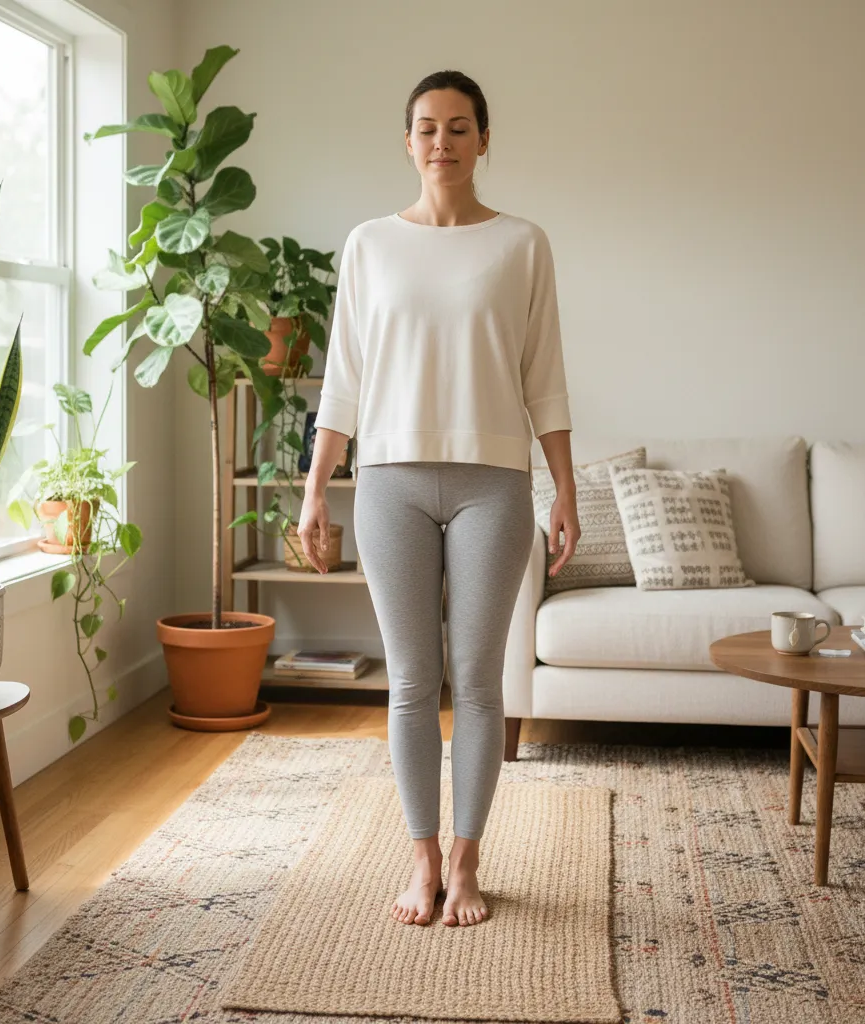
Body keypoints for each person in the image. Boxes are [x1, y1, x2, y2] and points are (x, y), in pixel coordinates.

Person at [297, 70, 580, 928]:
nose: (442, 143)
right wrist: (316, 493)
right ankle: (420, 859)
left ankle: (467, 863)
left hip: (495, 484)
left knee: (482, 683)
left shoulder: (522, 243)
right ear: (408, 142)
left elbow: (546, 379)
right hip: (388, 481)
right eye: (426, 128)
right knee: (414, 683)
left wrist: (565, 487)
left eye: (460, 128)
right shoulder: (369, 244)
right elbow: (342, 381)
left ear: (484, 140)